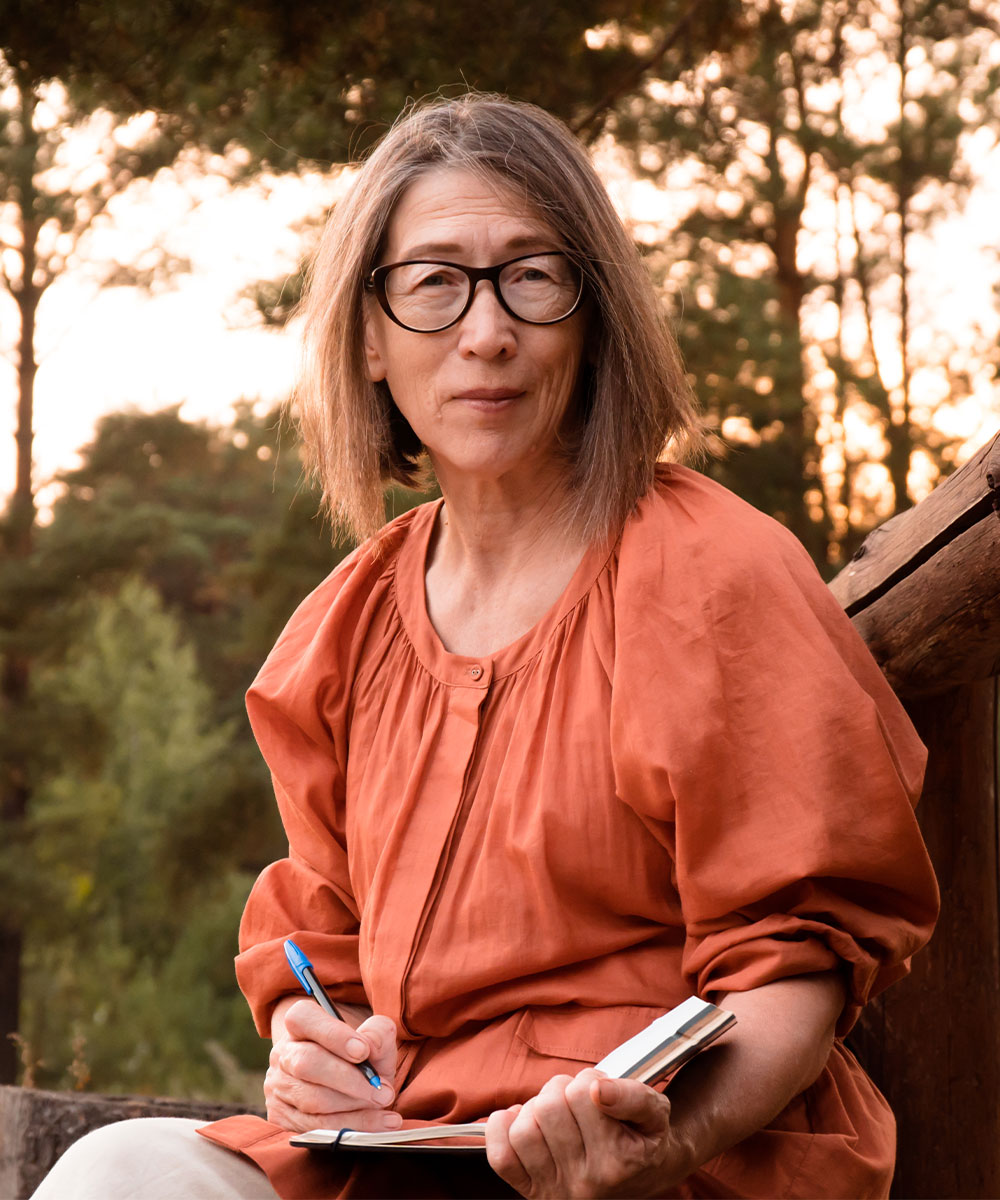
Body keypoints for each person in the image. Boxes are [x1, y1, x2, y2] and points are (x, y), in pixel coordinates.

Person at [33, 93, 938, 1200]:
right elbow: (323, 955)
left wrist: (662, 1144)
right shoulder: (342, 628)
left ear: (593, 317)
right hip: (407, 1152)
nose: (486, 331)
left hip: (670, 1158)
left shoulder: (716, 574)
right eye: (433, 283)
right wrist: (316, 1053)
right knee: (119, 1170)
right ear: (369, 338)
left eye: (531, 276)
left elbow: (797, 964)